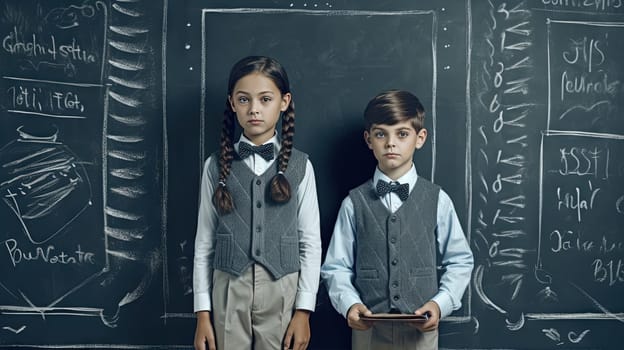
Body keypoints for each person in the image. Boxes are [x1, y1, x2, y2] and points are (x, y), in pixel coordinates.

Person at [320, 90, 474, 349]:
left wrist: (440, 304)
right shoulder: (353, 203)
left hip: (421, 331)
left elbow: (459, 260)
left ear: (420, 138)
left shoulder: (438, 199)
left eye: (402, 134)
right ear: (369, 140)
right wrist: (350, 304)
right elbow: (336, 267)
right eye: (381, 134)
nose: (391, 143)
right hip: (368, 330)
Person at [193, 56, 322, 350]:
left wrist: (304, 311)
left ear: (284, 101)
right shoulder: (214, 166)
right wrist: (202, 313)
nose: (254, 109)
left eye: (265, 99)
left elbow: (310, 242)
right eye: (244, 99)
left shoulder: (302, 166)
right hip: (227, 287)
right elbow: (204, 242)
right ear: (232, 103)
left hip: (283, 287)